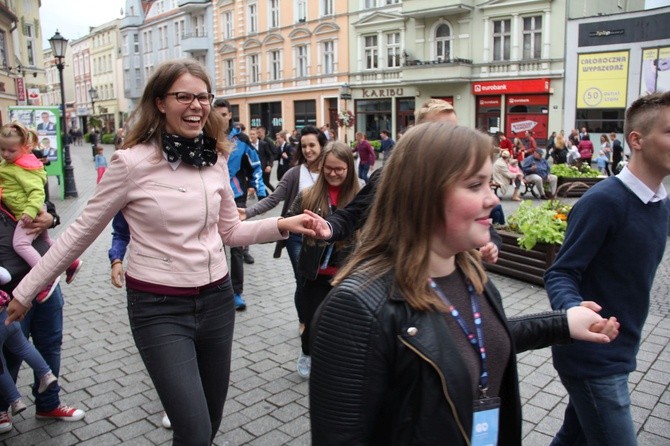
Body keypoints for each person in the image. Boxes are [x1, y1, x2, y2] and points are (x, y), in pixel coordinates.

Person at [3, 59, 316, 445]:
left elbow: (229, 231)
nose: (197, 105)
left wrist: (282, 225)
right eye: (184, 96)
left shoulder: (214, 157)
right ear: (160, 102)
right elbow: (82, 229)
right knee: (195, 430)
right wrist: (27, 289)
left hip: (217, 302)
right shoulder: (131, 162)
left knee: (210, 422)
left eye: (203, 96)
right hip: (159, 307)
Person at [309, 121, 619, 445]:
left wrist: (562, 324)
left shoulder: (468, 270)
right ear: (422, 194)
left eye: (491, 186)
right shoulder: (355, 308)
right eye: (475, 185)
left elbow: (466, 341)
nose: (494, 201)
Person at [545, 91, 670, 446]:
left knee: (576, 436)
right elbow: (560, 272)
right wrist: (572, 307)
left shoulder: (660, 203)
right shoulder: (603, 202)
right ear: (637, 140)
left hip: (621, 349)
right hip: (591, 356)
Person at [305, 98, 501, 263]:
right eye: (440, 130)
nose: (450, 138)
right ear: (418, 132)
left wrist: (491, 243)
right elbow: (353, 213)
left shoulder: (461, 177)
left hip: (452, 272)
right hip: (403, 274)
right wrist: (328, 227)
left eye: (453, 130)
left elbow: (481, 219)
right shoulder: (392, 176)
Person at [0, 200, 85, 432]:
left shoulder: (20, 174)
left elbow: (46, 205)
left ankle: (48, 404)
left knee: (50, 344)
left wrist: (52, 219)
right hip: (10, 292)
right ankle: (1, 408)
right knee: (11, 350)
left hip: (47, 281)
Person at [241, 125, 327, 336]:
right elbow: (274, 198)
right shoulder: (294, 173)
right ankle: (304, 320)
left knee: (322, 280)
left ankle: (323, 319)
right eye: (304, 146)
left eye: (312, 145)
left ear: (322, 146)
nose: (308, 150)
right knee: (303, 279)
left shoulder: (330, 170)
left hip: (326, 237)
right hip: (297, 237)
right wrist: (248, 212)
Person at [288, 141, 360, 378]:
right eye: (328, 168)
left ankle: (336, 360)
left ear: (349, 168)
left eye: (339, 168)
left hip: (347, 273)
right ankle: (307, 352)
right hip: (315, 273)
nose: (333, 173)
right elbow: (289, 221)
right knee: (312, 321)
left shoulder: (361, 194)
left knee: (343, 323)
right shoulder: (308, 194)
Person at [0, 123, 82, 302]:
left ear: (24, 148)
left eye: (9, 150)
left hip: (28, 213)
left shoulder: (20, 167)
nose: (5, 154)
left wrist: (49, 218)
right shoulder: (9, 164)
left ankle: (45, 279)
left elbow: (39, 194)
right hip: (13, 284)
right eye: (2, 150)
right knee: (46, 240)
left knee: (21, 244)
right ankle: (70, 263)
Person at [217, 99, 267, 311]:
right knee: (214, 247)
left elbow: (255, 166)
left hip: (236, 197)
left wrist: (261, 190)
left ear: (229, 115)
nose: (219, 119)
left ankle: (237, 292)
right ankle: (216, 292)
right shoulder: (203, 137)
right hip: (211, 198)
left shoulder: (242, 139)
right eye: (215, 114)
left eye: (223, 115)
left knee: (236, 247)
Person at [0, 288, 58, 418]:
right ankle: (46, 374)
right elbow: (5, 276)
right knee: (24, 347)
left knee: (1, 366)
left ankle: (15, 401)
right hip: (6, 315)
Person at [255, 126, 276, 192]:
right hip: (260, 165)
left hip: (267, 165)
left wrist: (269, 164)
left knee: (266, 182)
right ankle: (267, 195)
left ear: (263, 132)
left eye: (259, 132)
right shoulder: (258, 141)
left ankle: (275, 192)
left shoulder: (268, 141)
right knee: (261, 181)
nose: (258, 134)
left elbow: (273, 153)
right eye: (257, 132)